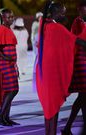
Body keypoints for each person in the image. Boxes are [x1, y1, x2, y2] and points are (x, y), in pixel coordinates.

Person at [36, 1, 86, 135]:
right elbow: (77, 41)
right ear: (57, 13)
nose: (65, 15)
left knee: (49, 108)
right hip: (52, 74)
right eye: (63, 12)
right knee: (53, 108)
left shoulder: (44, 24)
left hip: (44, 73)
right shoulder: (56, 28)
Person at [0, 8, 19, 126]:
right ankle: (0, 116)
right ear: (3, 18)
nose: (11, 19)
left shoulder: (7, 29)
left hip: (10, 64)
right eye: (8, 17)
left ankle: (5, 116)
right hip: (5, 65)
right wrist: (4, 57)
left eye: (12, 17)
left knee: (11, 89)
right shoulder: (1, 29)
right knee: (12, 89)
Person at [61, 1, 86, 135]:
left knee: (83, 96)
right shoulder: (77, 22)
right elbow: (73, 40)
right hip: (81, 58)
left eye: (84, 11)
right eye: (81, 11)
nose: (82, 13)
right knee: (83, 94)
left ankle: (67, 127)